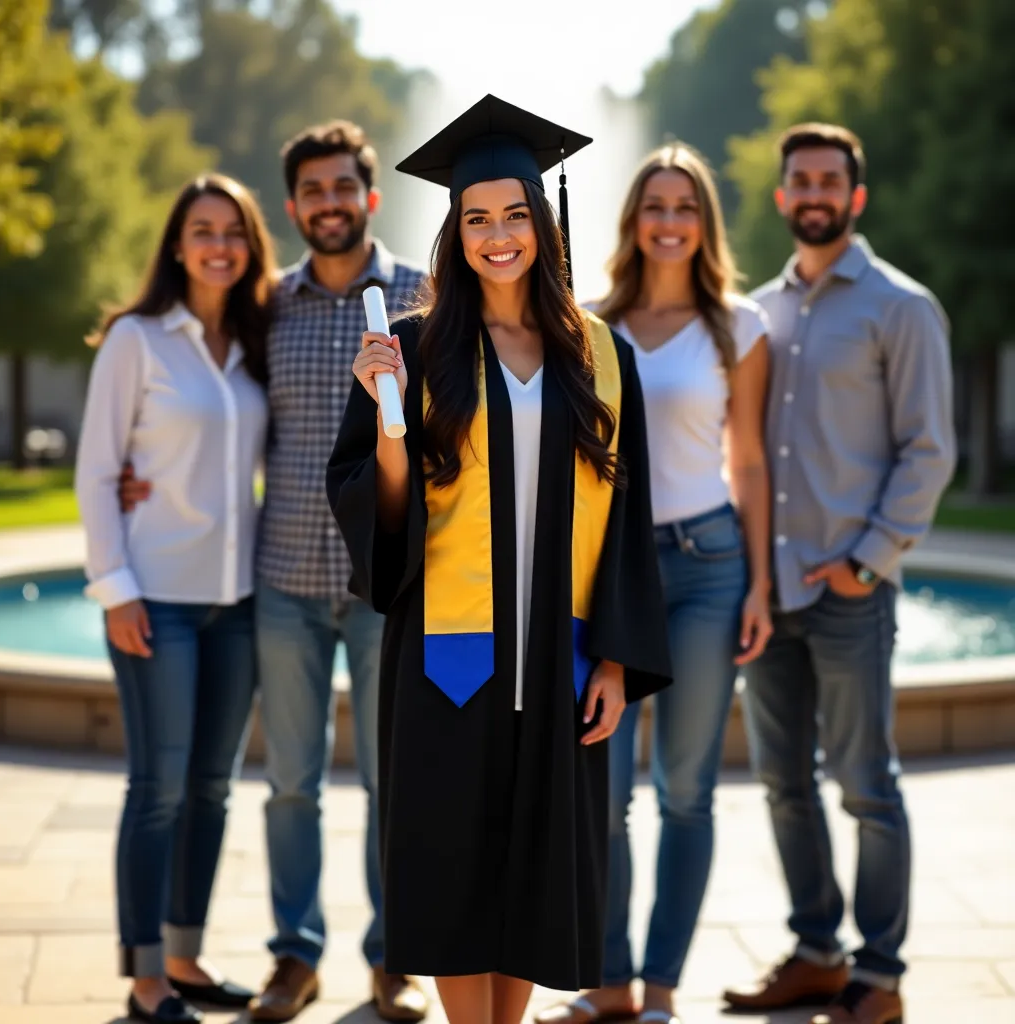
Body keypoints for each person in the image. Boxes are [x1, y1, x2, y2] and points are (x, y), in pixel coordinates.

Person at [326, 95, 673, 1024]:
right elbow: (379, 514)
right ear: (455, 232)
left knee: (531, 871)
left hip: (558, 655)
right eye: (475, 219)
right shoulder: (409, 347)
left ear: (542, 221)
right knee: (450, 868)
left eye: (514, 214)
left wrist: (614, 654)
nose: (497, 236)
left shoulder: (599, 355)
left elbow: (629, 512)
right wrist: (390, 423)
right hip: (450, 652)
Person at [120, 121, 429, 1022]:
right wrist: (140, 474)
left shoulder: (422, 295)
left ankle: (394, 958)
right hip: (284, 583)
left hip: (388, 588)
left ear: (369, 198)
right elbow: (210, 407)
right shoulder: (267, 305)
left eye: (345, 189)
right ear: (293, 207)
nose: (329, 205)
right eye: (312, 193)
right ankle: (295, 957)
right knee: (290, 782)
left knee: (390, 781)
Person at [723, 124, 956, 1024]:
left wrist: (868, 561)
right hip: (768, 592)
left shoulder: (901, 307)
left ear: (855, 197)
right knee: (783, 783)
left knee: (866, 784)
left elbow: (929, 450)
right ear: (782, 198)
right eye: (799, 180)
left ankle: (881, 974)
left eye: (829, 180)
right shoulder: (756, 312)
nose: (813, 192)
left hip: (850, 592)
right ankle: (817, 952)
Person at [538, 143, 773, 1024]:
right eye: (654, 206)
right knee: (603, 794)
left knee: (687, 792)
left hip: (711, 569)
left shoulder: (738, 328)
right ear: (632, 220)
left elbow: (747, 460)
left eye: (686, 207)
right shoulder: (591, 322)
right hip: (612, 575)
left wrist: (759, 584)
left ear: (704, 224)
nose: (669, 221)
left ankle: (664, 987)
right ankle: (611, 984)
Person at [76, 173, 277, 1024]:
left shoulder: (254, 342)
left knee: (211, 788)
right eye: (202, 229)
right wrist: (115, 588)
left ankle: (186, 956)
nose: (219, 245)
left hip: (236, 601)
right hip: (154, 598)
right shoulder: (138, 341)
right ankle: (146, 976)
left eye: (233, 231)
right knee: (156, 786)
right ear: (177, 243)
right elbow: (95, 470)